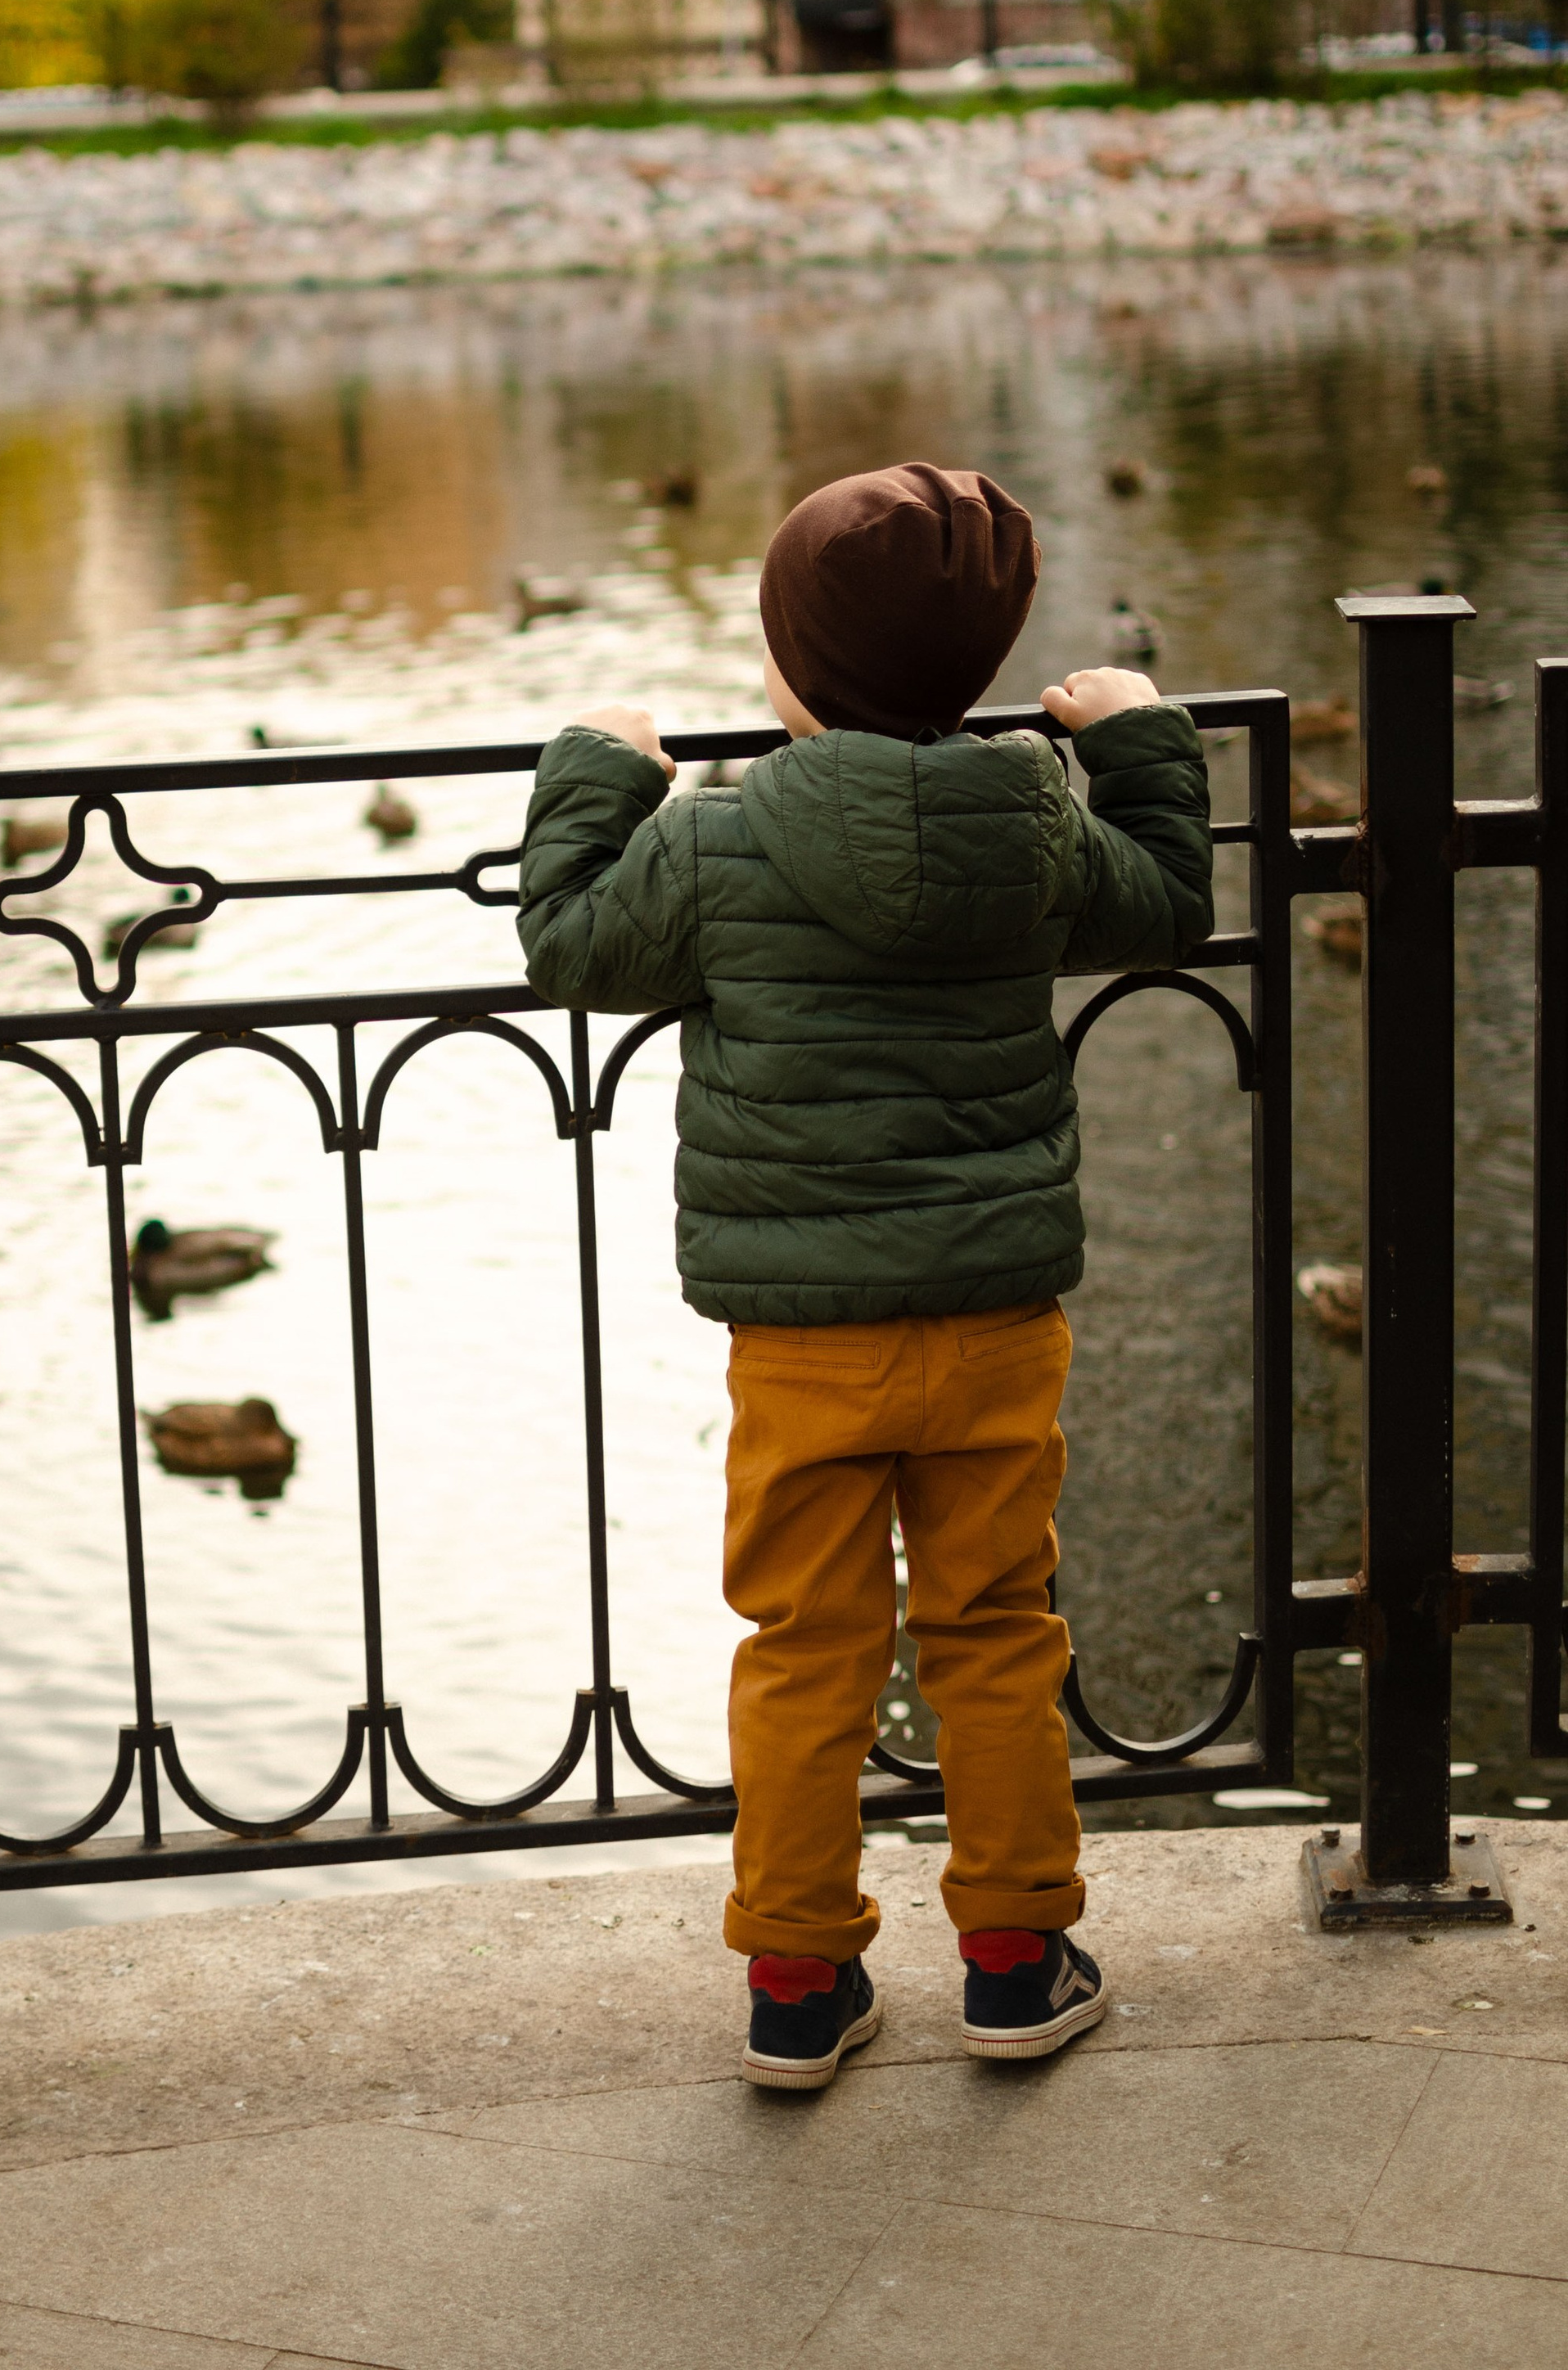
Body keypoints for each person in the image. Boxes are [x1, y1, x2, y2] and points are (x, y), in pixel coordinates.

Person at [516, 463, 1212, 2088]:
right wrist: (1132, 736)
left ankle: (793, 1979)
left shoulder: (718, 841)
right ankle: (1013, 1956)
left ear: (788, 671)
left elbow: (564, 942)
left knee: (803, 1643)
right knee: (992, 1626)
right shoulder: (1034, 820)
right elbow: (1170, 898)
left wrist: (593, 770)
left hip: (801, 1339)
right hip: (992, 1321)